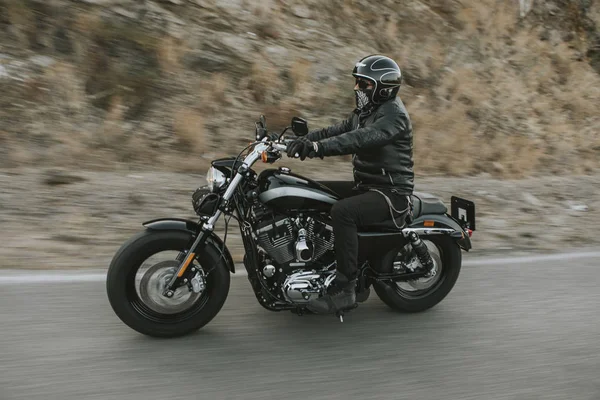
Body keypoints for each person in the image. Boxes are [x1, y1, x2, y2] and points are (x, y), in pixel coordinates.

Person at [286, 54, 415, 315]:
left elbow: (357, 139)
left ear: (383, 88)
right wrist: (296, 141)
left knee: (342, 212)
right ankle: (314, 268)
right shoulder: (365, 112)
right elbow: (337, 130)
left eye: (364, 84)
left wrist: (315, 148)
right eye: (357, 82)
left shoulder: (394, 117)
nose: (357, 89)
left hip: (390, 193)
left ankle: (345, 288)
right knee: (309, 193)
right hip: (366, 185)